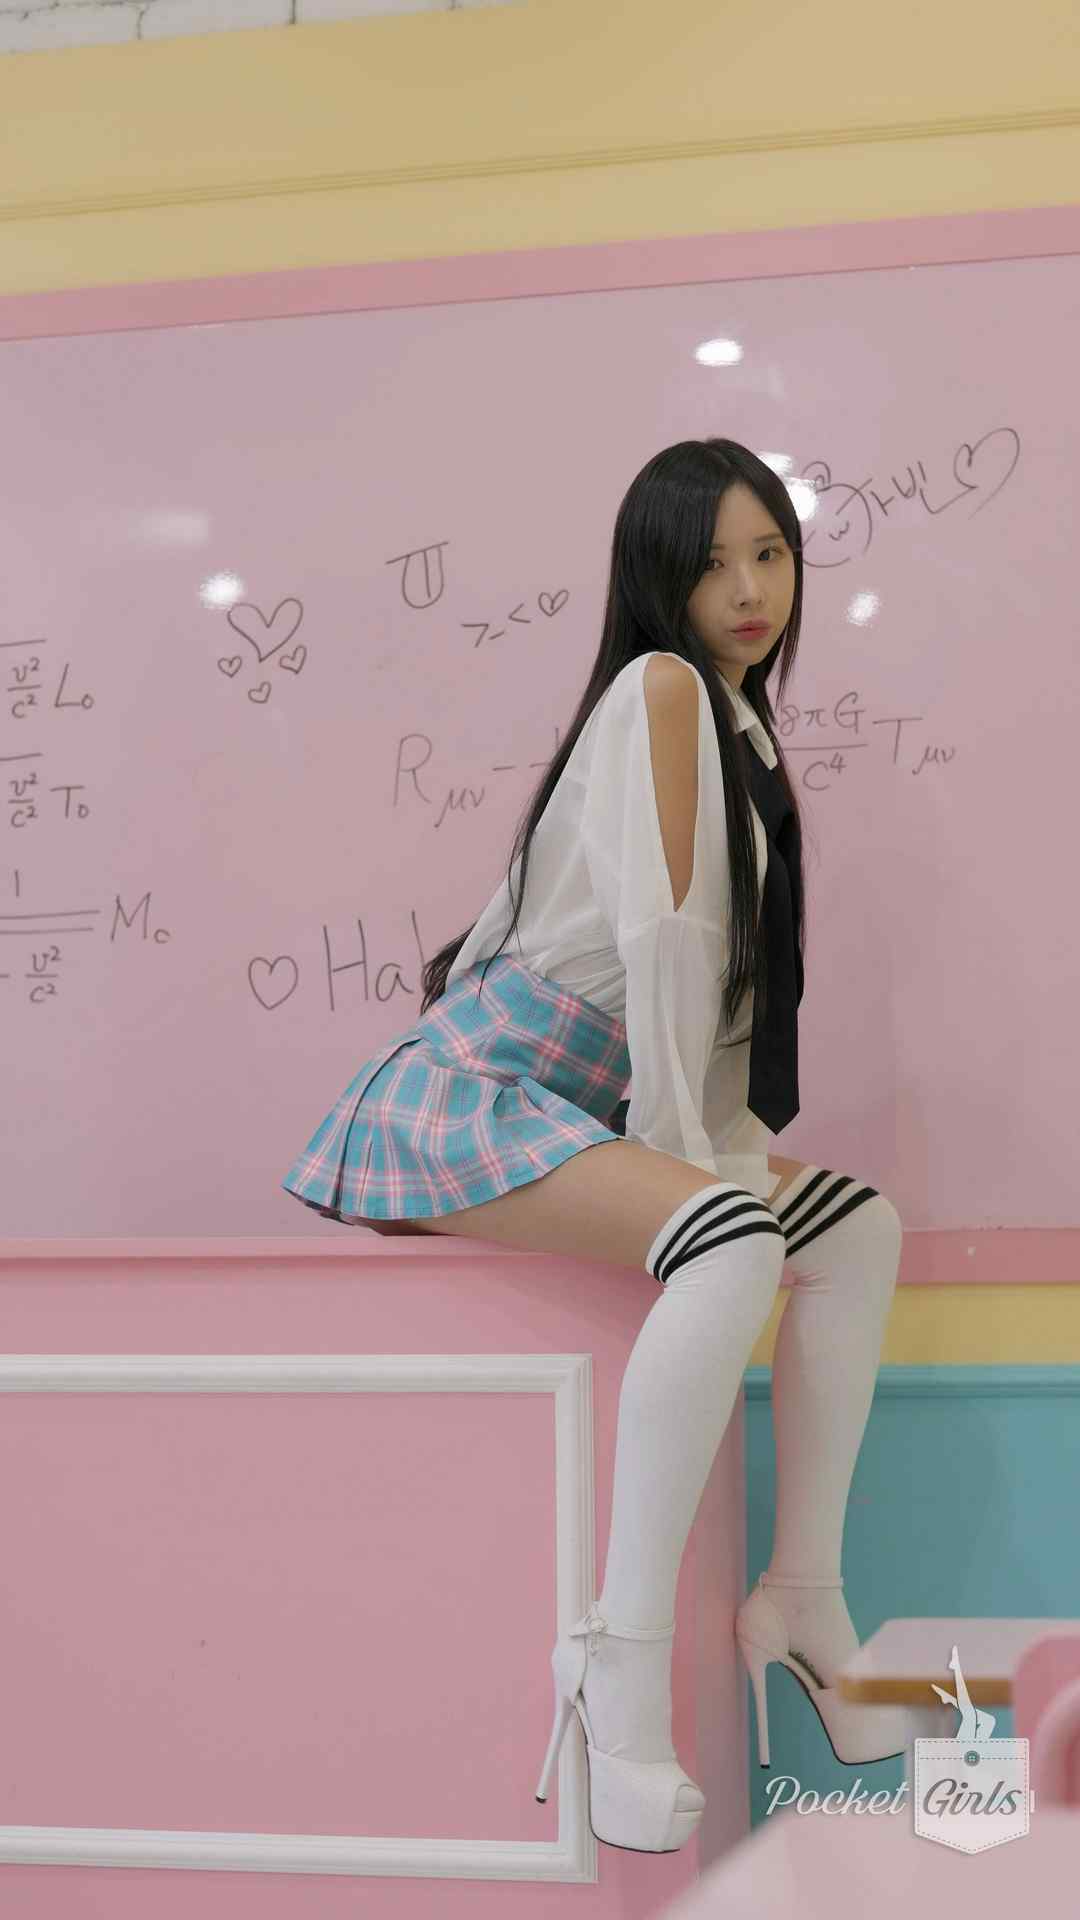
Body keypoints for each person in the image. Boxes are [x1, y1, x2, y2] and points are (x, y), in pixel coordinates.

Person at [281, 438, 936, 1852]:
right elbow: (669, 943)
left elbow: (722, 1002)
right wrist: (700, 1161)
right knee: (733, 1240)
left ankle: (803, 1595)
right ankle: (617, 1658)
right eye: (712, 564)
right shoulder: (663, 692)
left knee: (857, 1228)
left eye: (770, 554)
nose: (750, 589)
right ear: (657, 579)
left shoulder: (742, 728)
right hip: (471, 1092)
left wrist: (716, 1147)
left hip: (579, 1104)